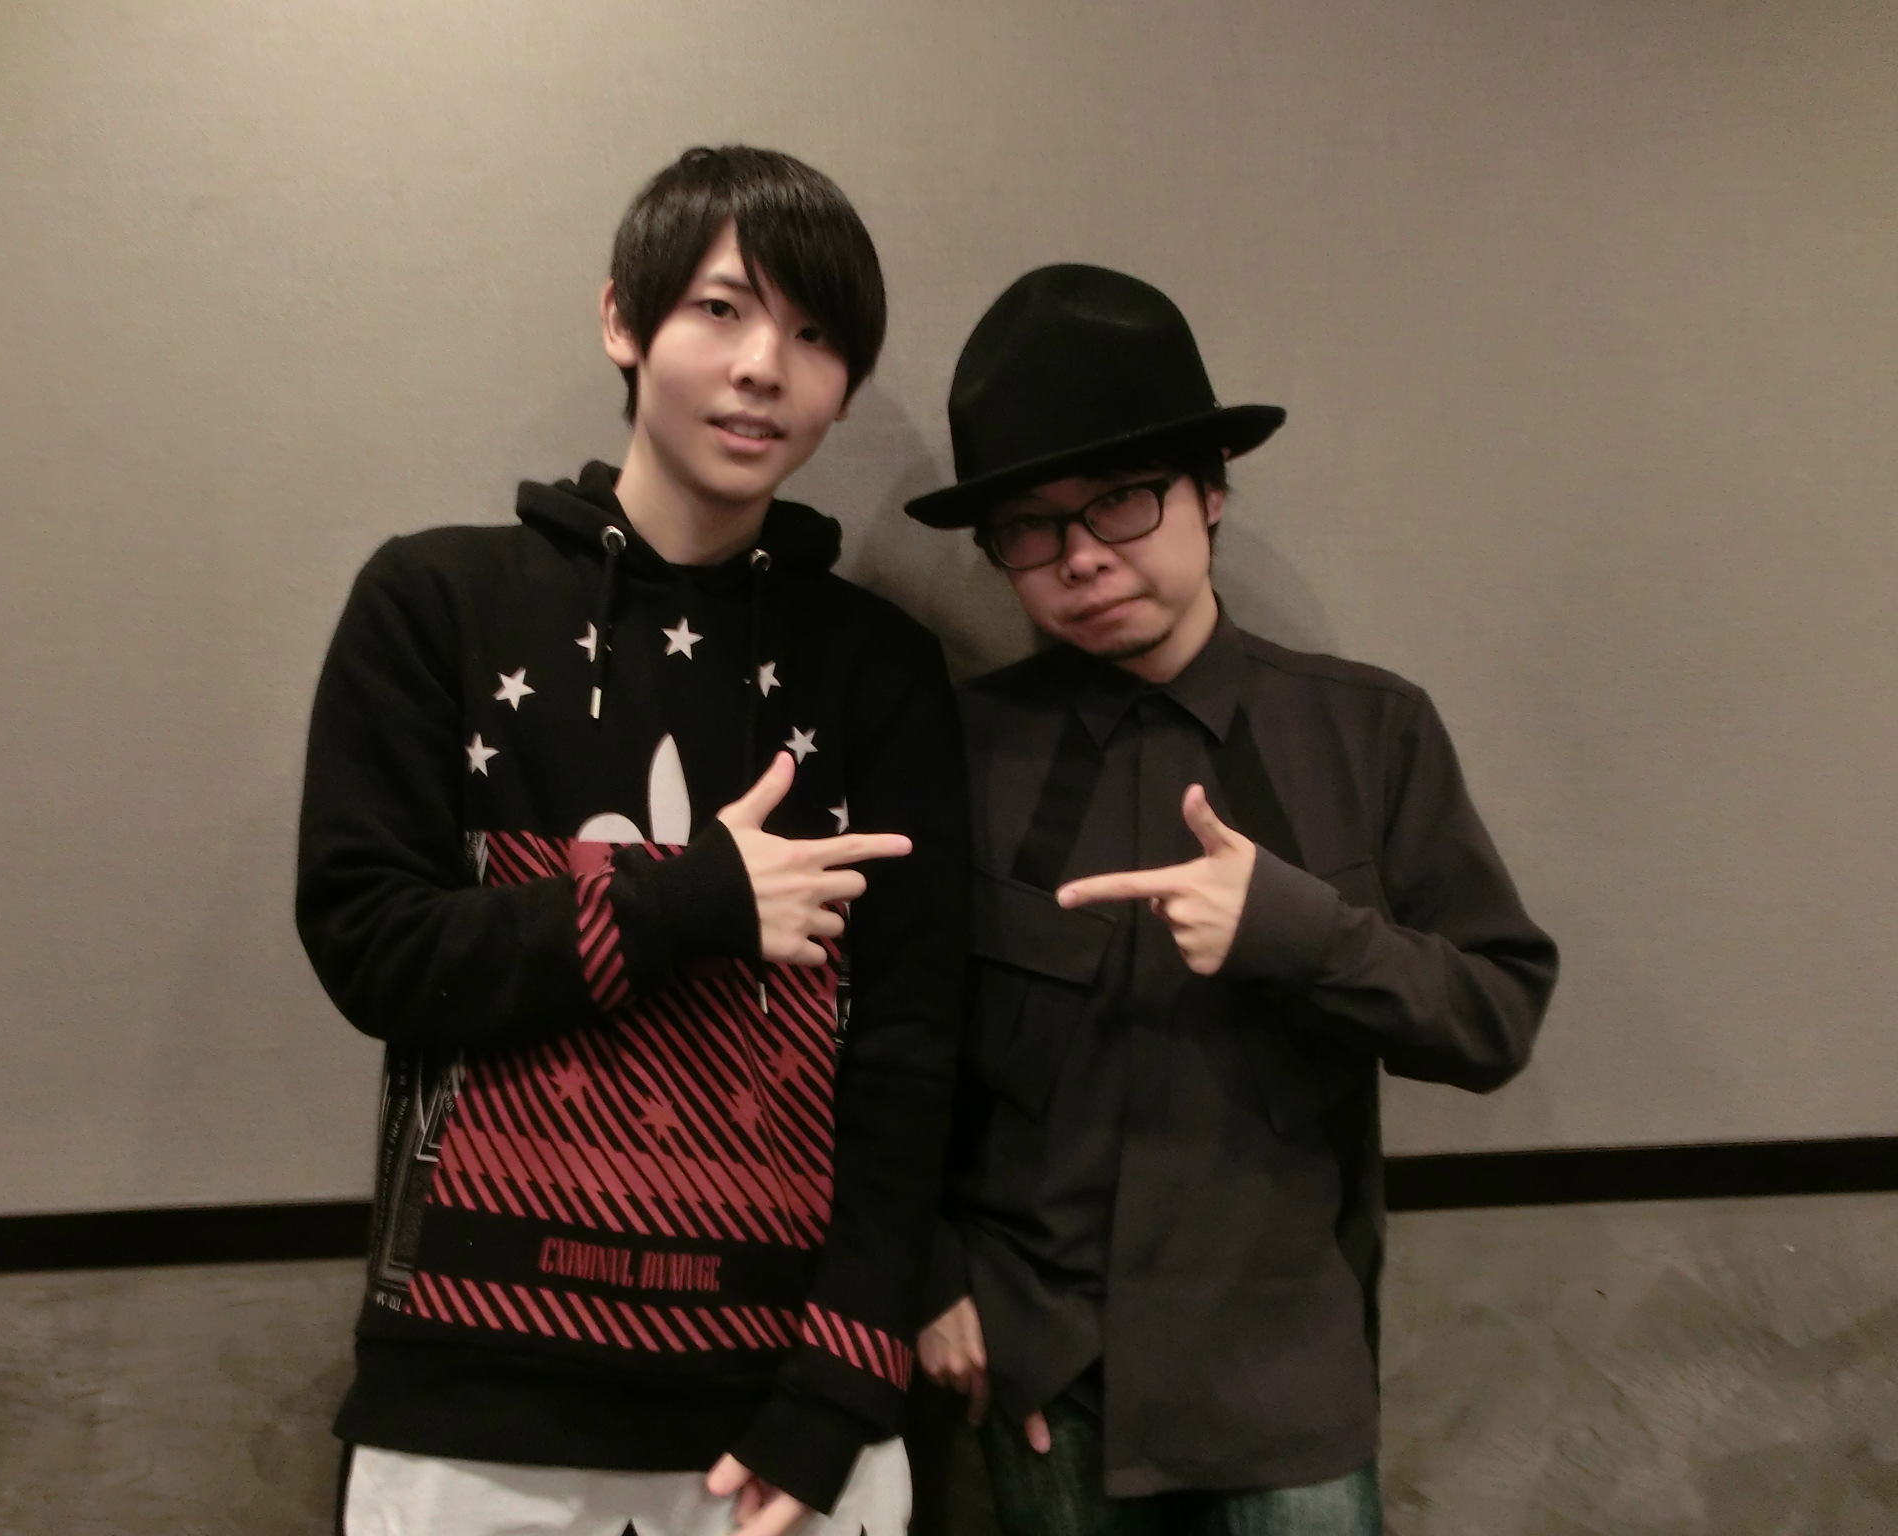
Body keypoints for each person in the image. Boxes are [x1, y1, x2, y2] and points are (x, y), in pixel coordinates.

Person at [296, 146, 968, 1536]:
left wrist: (844, 1386)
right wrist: (687, 899)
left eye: (815, 334)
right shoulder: (435, 601)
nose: (765, 366)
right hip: (466, 1423)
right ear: (623, 319)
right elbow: (373, 947)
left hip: (783, 1435)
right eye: (722, 309)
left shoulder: (879, 666)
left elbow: (911, 1047)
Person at [903, 265, 1559, 1536]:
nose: (1079, 556)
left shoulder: (1367, 731)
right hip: (1048, 1382)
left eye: (1120, 499)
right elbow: (886, 1043)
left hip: (1282, 1389)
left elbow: (1492, 1019)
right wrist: (933, 1280)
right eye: (1028, 525)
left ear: (1210, 489)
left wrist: (1299, 933)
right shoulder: (954, 751)